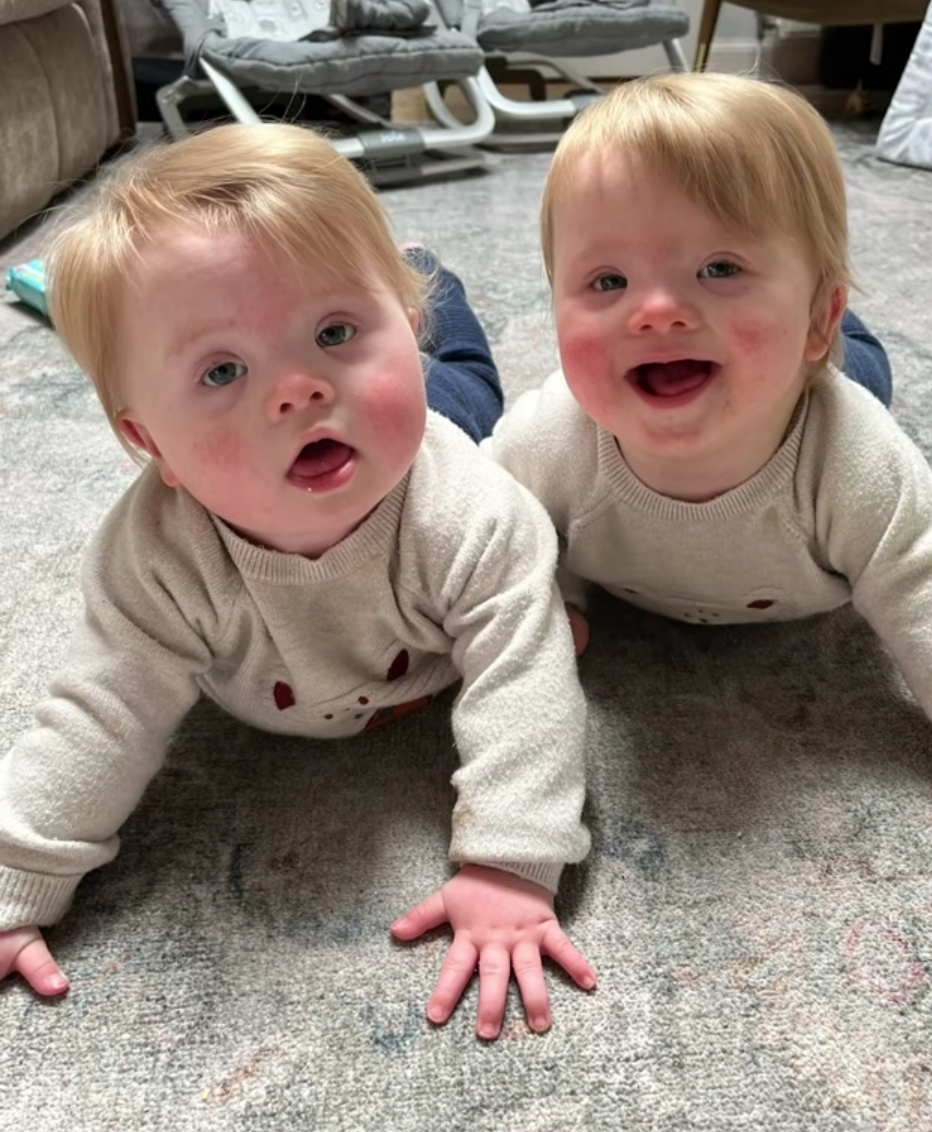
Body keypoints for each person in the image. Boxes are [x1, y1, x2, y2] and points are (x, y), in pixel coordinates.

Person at [0, 123, 595, 1041]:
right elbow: (98, 712)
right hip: (377, 424)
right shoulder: (154, 559)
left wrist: (511, 862)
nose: (299, 389)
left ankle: (428, 292)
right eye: (223, 370)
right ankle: (398, 289)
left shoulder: (473, 508)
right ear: (151, 445)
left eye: (335, 331)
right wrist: (16, 876)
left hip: (424, 425)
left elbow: (527, 677)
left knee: (466, 385)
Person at [487, 71, 932, 695]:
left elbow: (919, 584)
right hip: (780, 338)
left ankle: (835, 325)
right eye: (609, 281)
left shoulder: (859, 462)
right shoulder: (548, 440)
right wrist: (552, 593)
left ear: (817, 317)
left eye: (719, 268)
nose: (656, 311)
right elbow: (483, 534)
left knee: (855, 365)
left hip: (818, 374)